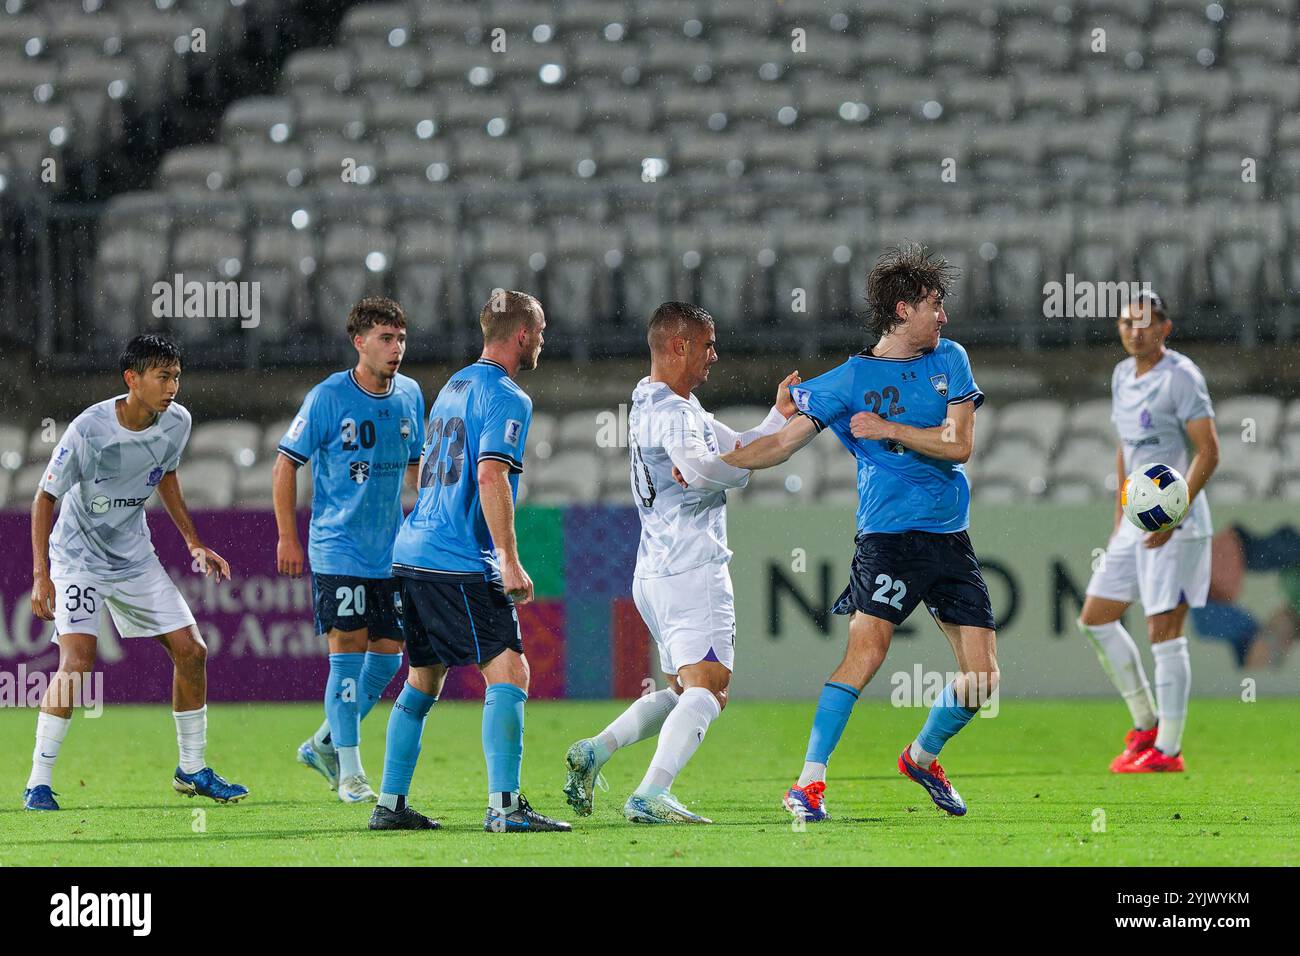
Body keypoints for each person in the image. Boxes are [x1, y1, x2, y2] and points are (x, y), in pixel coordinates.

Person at [723, 243, 997, 819]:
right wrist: (722, 463)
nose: (943, 317)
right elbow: (781, 443)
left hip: (951, 539)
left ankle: (922, 757)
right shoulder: (848, 380)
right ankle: (809, 783)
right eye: (933, 306)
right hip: (888, 539)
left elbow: (960, 446)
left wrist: (887, 428)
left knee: (982, 680)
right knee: (866, 654)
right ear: (902, 310)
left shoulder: (951, 359)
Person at [562, 302, 797, 823]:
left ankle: (596, 750)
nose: (715, 355)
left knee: (681, 688)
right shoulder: (673, 413)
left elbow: (731, 446)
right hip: (693, 570)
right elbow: (701, 467)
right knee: (710, 687)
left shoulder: (654, 401)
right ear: (679, 345)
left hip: (655, 570)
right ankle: (651, 793)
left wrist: (776, 419)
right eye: (708, 344)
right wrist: (751, 463)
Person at [368, 290, 570, 832]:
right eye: (542, 329)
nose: (545, 339)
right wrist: (508, 558)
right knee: (510, 669)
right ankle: (504, 808)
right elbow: (489, 474)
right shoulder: (508, 396)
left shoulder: (454, 385)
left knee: (422, 678)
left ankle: (390, 804)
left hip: (410, 553)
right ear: (523, 334)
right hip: (456, 557)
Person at [25, 334, 247, 811]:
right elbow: (45, 497)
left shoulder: (178, 423)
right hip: (78, 558)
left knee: (192, 650)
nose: (173, 387)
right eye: (163, 377)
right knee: (78, 663)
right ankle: (38, 783)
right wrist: (42, 575)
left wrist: (193, 541)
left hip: (134, 558)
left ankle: (192, 770)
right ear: (132, 379)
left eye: (177, 377)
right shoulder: (90, 428)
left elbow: (165, 475)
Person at [275, 296, 425, 802]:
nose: (396, 348)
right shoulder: (327, 398)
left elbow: (414, 466)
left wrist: (430, 512)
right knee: (346, 657)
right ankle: (351, 773)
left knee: (386, 661)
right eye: (386, 338)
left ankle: (322, 742)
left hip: (391, 552)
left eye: (401, 338)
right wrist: (287, 536)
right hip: (338, 548)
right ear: (359, 342)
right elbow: (285, 463)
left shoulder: (410, 395)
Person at [1078, 292, 1219, 772]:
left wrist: (1175, 514)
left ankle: (1169, 751)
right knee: (1095, 618)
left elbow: (1209, 451)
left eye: (1145, 322)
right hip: (1136, 523)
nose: (1134, 330)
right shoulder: (1122, 375)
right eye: (1126, 322)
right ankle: (1145, 723)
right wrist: (1122, 510)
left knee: (1164, 631)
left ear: (1165, 327)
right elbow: (1126, 447)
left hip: (1179, 526)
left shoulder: (1181, 377)